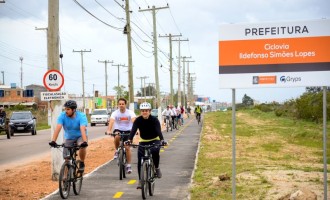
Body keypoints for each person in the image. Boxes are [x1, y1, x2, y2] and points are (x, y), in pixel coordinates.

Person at [127, 102, 167, 189]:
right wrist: (129, 140)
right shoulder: (138, 120)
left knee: (155, 151)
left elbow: (158, 131)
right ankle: (141, 180)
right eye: (142, 111)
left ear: (150, 111)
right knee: (140, 160)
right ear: (140, 111)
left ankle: (156, 168)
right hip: (143, 141)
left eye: (146, 110)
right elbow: (133, 130)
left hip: (154, 140)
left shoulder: (154, 120)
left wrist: (162, 140)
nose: (144, 112)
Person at [48, 100, 88, 172]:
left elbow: (82, 128)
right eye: (65, 109)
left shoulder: (81, 116)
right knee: (67, 159)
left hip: (80, 136)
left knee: (82, 146)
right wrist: (53, 141)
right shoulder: (62, 116)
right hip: (69, 137)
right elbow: (58, 128)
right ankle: (65, 178)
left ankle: (82, 162)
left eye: (68, 109)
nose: (66, 111)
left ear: (73, 110)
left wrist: (84, 141)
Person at [106, 98, 136, 174]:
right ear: (118, 105)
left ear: (125, 105)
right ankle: (116, 150)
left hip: (129, 131)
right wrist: (109, 130)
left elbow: (134, 121)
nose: (121, 105)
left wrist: (137, 131)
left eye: (123, 104)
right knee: (116, 136)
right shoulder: (115, 113)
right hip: (118, 129)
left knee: (127, 147)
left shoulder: (130, 113)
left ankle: (128, 165)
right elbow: (111, 121)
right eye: (120, 104)